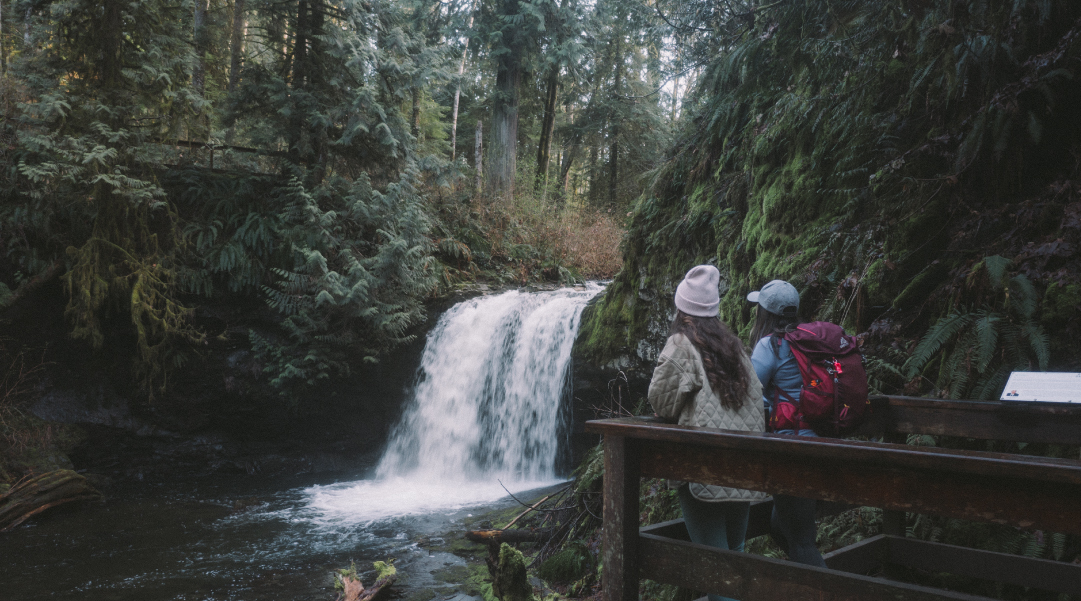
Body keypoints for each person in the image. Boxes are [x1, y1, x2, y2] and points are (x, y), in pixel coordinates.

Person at [648, 265, 766, 601]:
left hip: (703, 468)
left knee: (716, 569)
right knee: (735, 556)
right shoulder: (735, 348)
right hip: (742, 467)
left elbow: (661, 399)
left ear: (681, 307)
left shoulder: (682, 343)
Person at [746, 279, 827, 568]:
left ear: (766, 314)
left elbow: (749, 391)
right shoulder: (810, 339)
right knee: (781, 526)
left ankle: (828, 592)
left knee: (802, 541)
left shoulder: (770, 346)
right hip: (820, 439)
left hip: (792, 447)